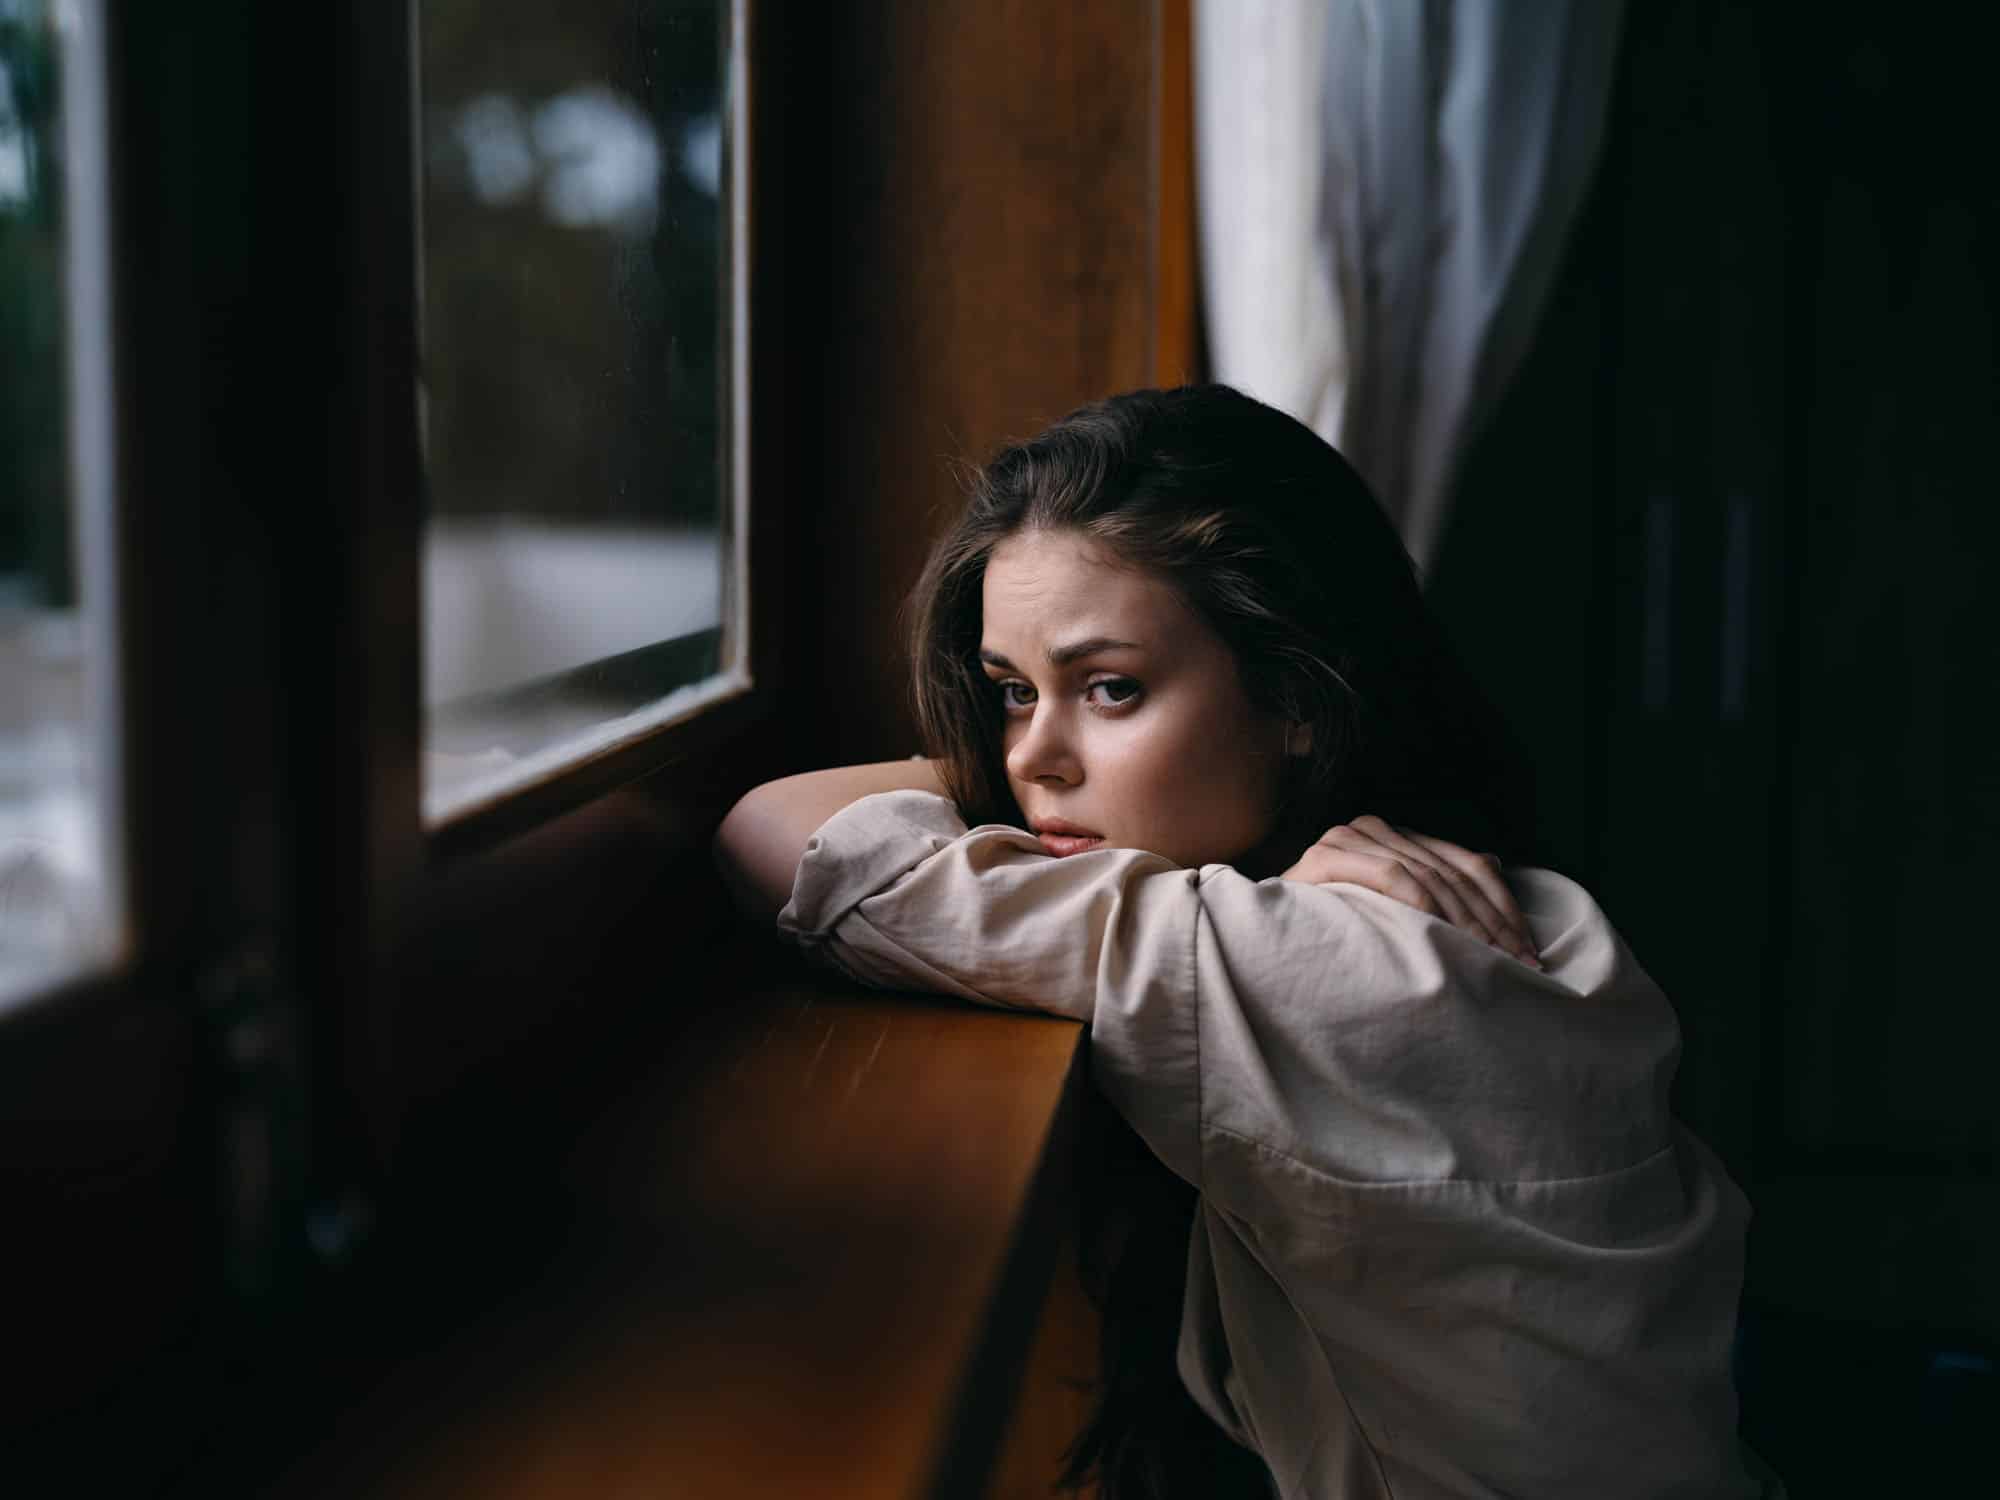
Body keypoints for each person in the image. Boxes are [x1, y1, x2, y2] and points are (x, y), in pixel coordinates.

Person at [715, 385, 1770, 1499]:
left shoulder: (1365, 968)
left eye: (1110, 689)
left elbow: (774, 835)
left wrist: (978, 785)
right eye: (1012, 694)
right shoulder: (1463, 906)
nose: (1034, 760)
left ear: (1293, 693)